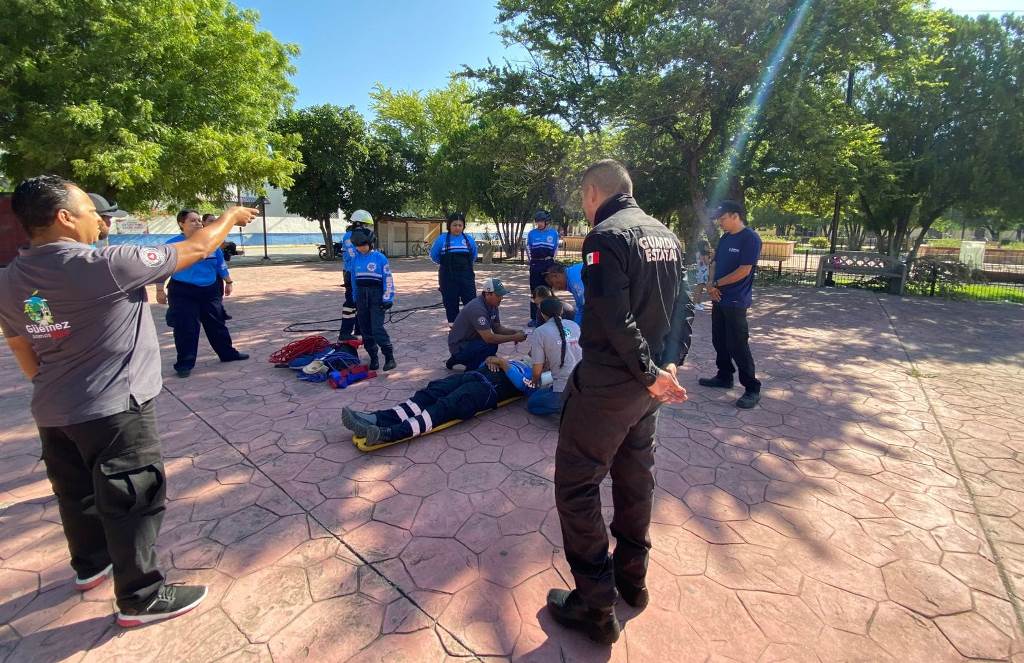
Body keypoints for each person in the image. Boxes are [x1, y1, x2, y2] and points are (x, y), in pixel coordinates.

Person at [0, 175, 258, 627]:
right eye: (90, 211)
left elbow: (20, 344)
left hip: (53, 409)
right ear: (64, 217)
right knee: (133, 498)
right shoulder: (106, 264)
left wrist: (54, 384)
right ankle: (141, 596)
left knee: (76, 493)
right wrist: (230, 216)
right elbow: (198, 247)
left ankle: (91, 566)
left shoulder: (8, 279)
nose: (99, 221)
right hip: (116, 408)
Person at [547, 159, 692, 644]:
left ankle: (595, 604)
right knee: (635, 481)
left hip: (611, 387)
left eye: (582, 198)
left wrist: (652, 373)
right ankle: (633, 580)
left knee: (576, 486)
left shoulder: (605, 237)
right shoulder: (667, 236)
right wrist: (669, 367)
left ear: (593, 192)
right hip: (647, 392)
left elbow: (613, 317)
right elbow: (685, 306)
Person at [342, 355, 534, 445]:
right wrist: (492, 359)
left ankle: (389, 433)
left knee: (444, 406)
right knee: (430, 393)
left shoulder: (537, 376)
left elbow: (522, 385)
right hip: (472, 375)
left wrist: (502, 363)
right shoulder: (520, 360)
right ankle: (375, 419)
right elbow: (486, 362)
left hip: (486, 390)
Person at [156, 210, 248, 378]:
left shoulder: (211, 243)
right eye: (192, 220)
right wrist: (159, 290)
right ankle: (184, 364)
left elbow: (220, 264)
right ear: (181, 224)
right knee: (186, 327)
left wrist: (228, 282)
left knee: (217, 324)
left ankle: (227, 353)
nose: (198, 223)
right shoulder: (172, 245)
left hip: (209, 289)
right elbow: (161, 269)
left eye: (199, 220)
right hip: (183, 291)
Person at [698, 201, 763, 408]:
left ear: (736, 216)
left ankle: (752, 388)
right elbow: (715, 263)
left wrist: (717, 284)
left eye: (723, 218)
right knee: (719, 339)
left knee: (738, 344)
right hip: (718, 297)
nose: (720, 222)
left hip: (736, 300)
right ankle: (724, 375)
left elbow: (744, 270)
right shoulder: (725, 237)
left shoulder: (750, 238)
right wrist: (711, 284)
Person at [444, 277, 527, 371]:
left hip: (472, 341)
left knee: (491, 346)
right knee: (490, 344)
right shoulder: (477, 309)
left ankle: (464, 362)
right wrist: (514, 337)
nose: (501, 298)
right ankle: (471, 367)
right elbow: (489, 338)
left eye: (501, 295)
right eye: (498, 295)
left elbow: (497, 328)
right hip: (460, 347)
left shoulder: (493, 305)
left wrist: (515, 332)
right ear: (487, 294)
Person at [350, 227, 396, 372]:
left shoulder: (380, 258)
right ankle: (373, 357)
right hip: (361, 298)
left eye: (363, 244)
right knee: (365, 331)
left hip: (377, 297)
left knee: (377, 329)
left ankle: (389, 357)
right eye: (358, 245)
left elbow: (388, 279)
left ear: (370, 243)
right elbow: (353, 280)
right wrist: (354, 298)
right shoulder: (355, 259)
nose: (361, 248)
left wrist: (388, 298)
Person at [526, 297, 581, 415]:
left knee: (532, 404)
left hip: (563, 389)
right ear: (561, 311)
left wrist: (534, 383)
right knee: (544, 393)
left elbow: (536, 372)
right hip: (583, 384)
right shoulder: (574, 325)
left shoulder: (540, 332)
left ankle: (568, 406)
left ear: (542, 314)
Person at [430, 211, 478, 325]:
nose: (457, 228)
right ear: (449, 226)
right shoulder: (441, 239)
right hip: (448, 277)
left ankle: (472, 326)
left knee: (471, 302)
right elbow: (434, 256)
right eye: (454, 225)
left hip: (466, 277)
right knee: (450, 303)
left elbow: (473, 256)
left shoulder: (469, 240)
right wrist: (446, 265)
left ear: (463, 226)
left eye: (460, 225)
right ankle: (454, 327)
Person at [338, 209, 373, 341]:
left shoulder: (357, 235)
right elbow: (356, 255)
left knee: (361, 302)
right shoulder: (349, 237)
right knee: (351, 302)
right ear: (359, 224)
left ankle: (360, 330)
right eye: (365, 225)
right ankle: (345, 332)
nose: (367, 228)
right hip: (352, 272)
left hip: (359, 272)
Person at [526, 210, 559, 326]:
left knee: (549, 291)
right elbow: (528, 248)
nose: (539, 224)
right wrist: (532, 262)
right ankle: (534, 318)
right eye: (537, 221)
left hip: (548, 264)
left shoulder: (554, 234)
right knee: (535, 291)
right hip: (535, 264)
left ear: (546, 222)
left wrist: (551, 263)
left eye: (541, 221)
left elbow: (555, 249)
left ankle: (550, 316)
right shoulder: (531, 234)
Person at [202, 213, 233, 320]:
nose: (213, 223)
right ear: (203, 222)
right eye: (210, 220)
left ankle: (220, 311)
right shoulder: (199, 237)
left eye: (215, 220)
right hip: (203, 275)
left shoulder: (217, 235)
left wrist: (228, 281)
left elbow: (220, 261)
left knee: (218, 293)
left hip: (215, 272)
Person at [693, 242, 712, 312]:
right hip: (703, 272)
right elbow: (707, 263)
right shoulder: (705, 254)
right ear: (704, 246)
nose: (709, 247)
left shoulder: (698, 253)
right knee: (699, 288)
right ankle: (695, 304)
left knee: (700, 288)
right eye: (707, 246)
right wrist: (711, 259)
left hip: (699, 271)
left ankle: (698, 303)